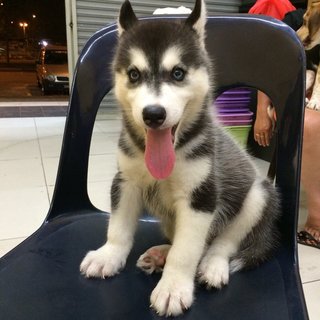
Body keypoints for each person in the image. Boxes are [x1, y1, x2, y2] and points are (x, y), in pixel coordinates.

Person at [250, 1, 320, 249]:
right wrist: (261, 111)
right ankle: (317, 221)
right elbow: (270, 66)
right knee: (310, 125)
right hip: (299, 97)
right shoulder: (293, 20)